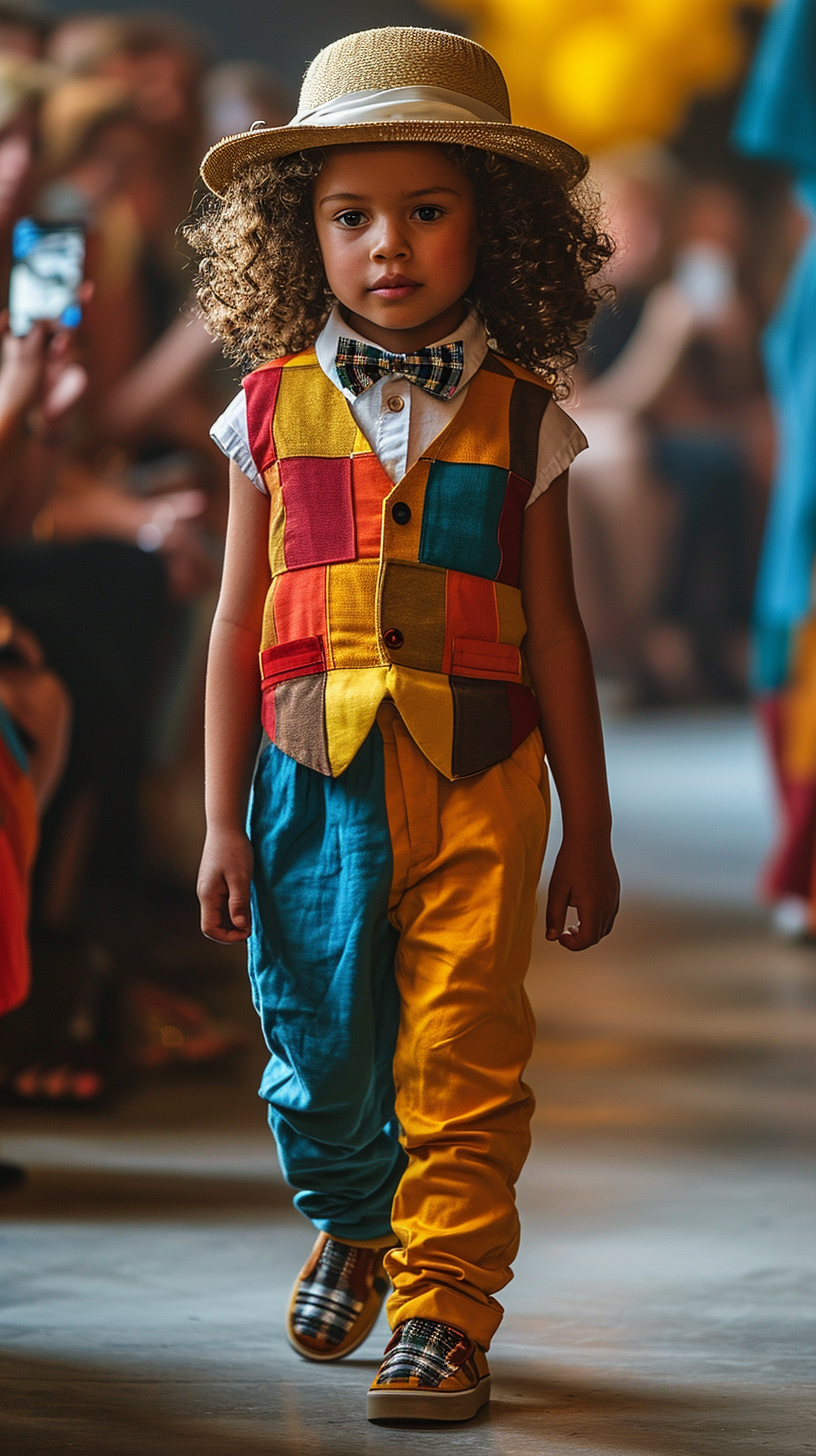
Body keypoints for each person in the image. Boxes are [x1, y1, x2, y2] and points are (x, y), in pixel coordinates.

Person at [187, 26, 619, 1424]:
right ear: (299, 229)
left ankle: (443, 1303)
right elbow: (237, 617)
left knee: (464, 1050)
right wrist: (216, 821)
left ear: (490, 230)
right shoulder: (265, 412)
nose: (389, 245)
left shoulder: (523, 418)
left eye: (425, 210)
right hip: (310, 779)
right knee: (315, 1051)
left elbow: (556, 628)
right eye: (351, 214)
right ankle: (354, 1217)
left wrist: (591, 828)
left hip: (486, 777)